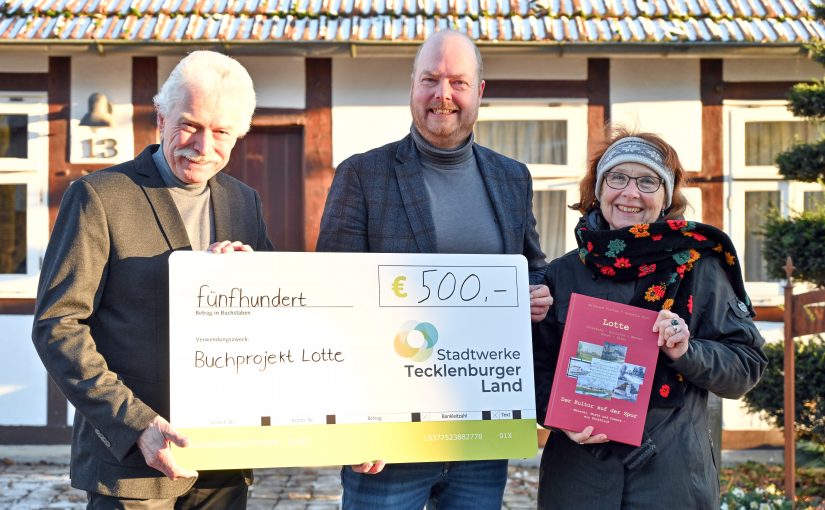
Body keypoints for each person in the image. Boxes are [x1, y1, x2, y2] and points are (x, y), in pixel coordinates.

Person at [317, 29, 552, 509]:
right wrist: (352, 422)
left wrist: (535, 293)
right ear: (412, 86)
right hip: (388, 438)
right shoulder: (363, 175)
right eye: (430, 79)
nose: (443, 95)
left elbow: (531, 267)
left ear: (479, 92)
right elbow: (333, 301)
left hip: (482, 433)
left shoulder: (512, 177)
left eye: (458, 82)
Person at [32, 50, 273, 509]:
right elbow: (57, 326)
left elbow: (279, 319)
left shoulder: (245, 203)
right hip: (131, 466)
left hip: (223, 460)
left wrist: (253, 281)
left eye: (221, 132)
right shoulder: (98, 197)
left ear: (239, 135)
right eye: (190, 124)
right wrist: (136, 425)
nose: (203, 146)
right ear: (161, 117)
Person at [532, 129, 768, 509]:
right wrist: (558, 417)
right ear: (598, 187)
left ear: (667, 196)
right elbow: (533, 371)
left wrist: (687, 350)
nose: (630, 193)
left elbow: (746, 367)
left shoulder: (699, 269)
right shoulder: (562, 275)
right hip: (578, 483)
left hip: (671, 481)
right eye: (617, 177)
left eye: (647, 181)